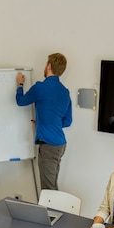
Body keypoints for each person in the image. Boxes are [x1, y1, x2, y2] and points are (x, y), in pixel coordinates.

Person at [15, 53, 72, 190]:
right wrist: (44, 122)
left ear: (49, 66)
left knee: (48, 190)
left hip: (49, 146)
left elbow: (20, 101)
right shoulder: (65, 92)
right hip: (61, 145)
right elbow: (67, 121)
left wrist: (20, 84)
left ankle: (51, 212)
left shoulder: (40, 87)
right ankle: (56, 211)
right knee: (52, 185)